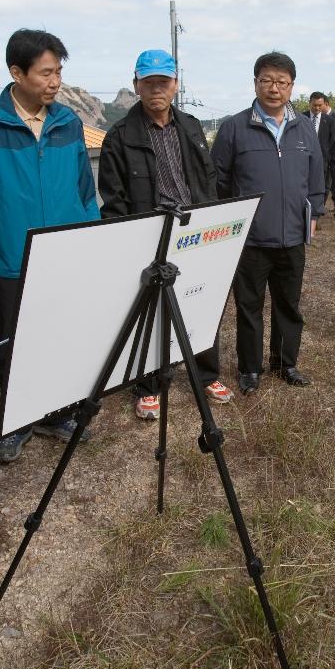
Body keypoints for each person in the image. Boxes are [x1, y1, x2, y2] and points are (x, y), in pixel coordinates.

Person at [0, 29, 100, 463]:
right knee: (15, 340)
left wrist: (91, 237)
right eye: (46, 73)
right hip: (11, 253)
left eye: (59, 72)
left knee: (63, 335)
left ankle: (57, 415)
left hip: (66, 252)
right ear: (16, 73)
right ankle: (16, 421)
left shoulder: (68, 122)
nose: (54, 82)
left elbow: (84, 190)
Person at [97, 49, 235, 418]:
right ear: (136, 85)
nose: (156, 88)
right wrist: (125, 242)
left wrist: (213, 219)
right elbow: (114, 199)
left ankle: (205, 374)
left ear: (175, 84)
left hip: (195, 228)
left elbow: (207, 180)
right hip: (150, 232)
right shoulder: (120, 136)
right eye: (149, 81)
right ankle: (149, 385)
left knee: (201, 300)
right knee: (151, 310)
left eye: (164, 81)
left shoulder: (189, 126)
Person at [212, 52, 324, 394]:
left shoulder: (304, 127)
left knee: (288, 304)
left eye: (282, 82)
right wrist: (231, 221)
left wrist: (314, 213)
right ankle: (249, 369)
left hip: (293, 235)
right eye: (267, 80)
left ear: (292, 86)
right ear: (256, 83)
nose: (274, 88)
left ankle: (285, 363)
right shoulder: (235, 126)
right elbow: (218, 179)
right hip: (250, 238)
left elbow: (317, 176)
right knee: (249, 306)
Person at [304, 91, 333, 211]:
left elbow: (331, 142)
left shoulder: (329, 120)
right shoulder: (301, 118)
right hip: (303, 159)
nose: (317, 108)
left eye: (320, 105)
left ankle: (317, 212)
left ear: (324, 104)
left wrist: (326, 157)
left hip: (322, 160)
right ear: (309, 103)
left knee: (320, 187)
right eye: (314, 105)